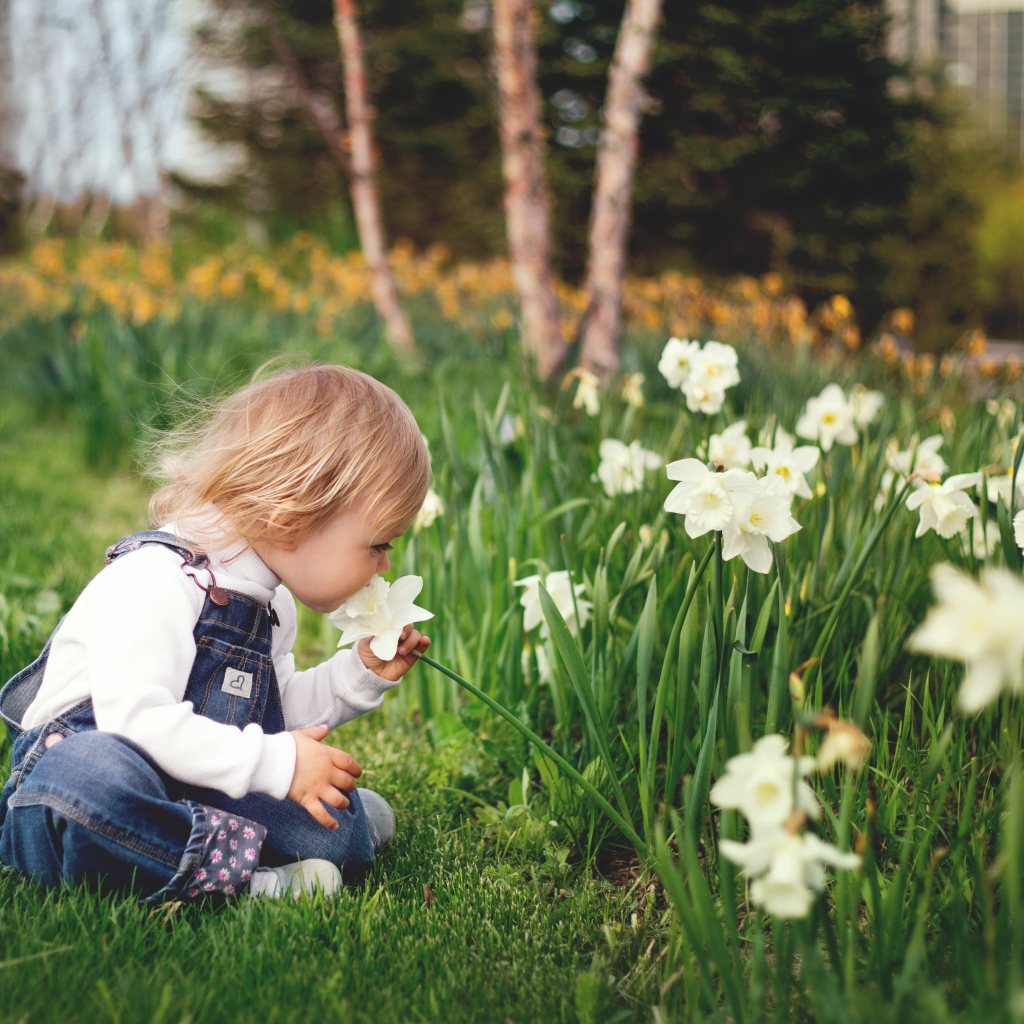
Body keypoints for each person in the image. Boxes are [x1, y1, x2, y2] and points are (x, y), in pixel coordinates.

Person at [0, 364, 431, 902]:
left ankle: (327, 834)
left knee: (336, 831)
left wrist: (358, 676)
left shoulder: (269, 604)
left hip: (188, 780)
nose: (385, 566)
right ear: (289, 518)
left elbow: (271, 715)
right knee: (90, 781)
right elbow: (135, 725)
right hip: (79, 787)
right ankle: (248, 883)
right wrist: (278, 764)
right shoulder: (155, 579)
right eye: (378, 545)